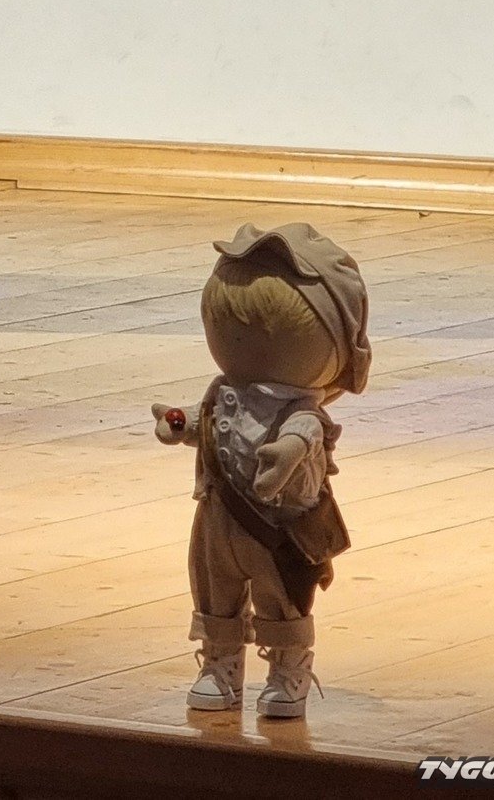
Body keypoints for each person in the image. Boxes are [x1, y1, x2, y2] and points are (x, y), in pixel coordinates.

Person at [152, 221, 371, 720]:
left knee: (281, 597)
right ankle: (219, 664)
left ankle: (289, 668)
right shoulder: (222, 393)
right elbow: (208, 424)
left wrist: (286, 454)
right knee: (214, 590)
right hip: (216, 518)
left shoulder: (301, 411)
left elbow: (305, 434)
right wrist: (180, 424)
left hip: (278, 524)